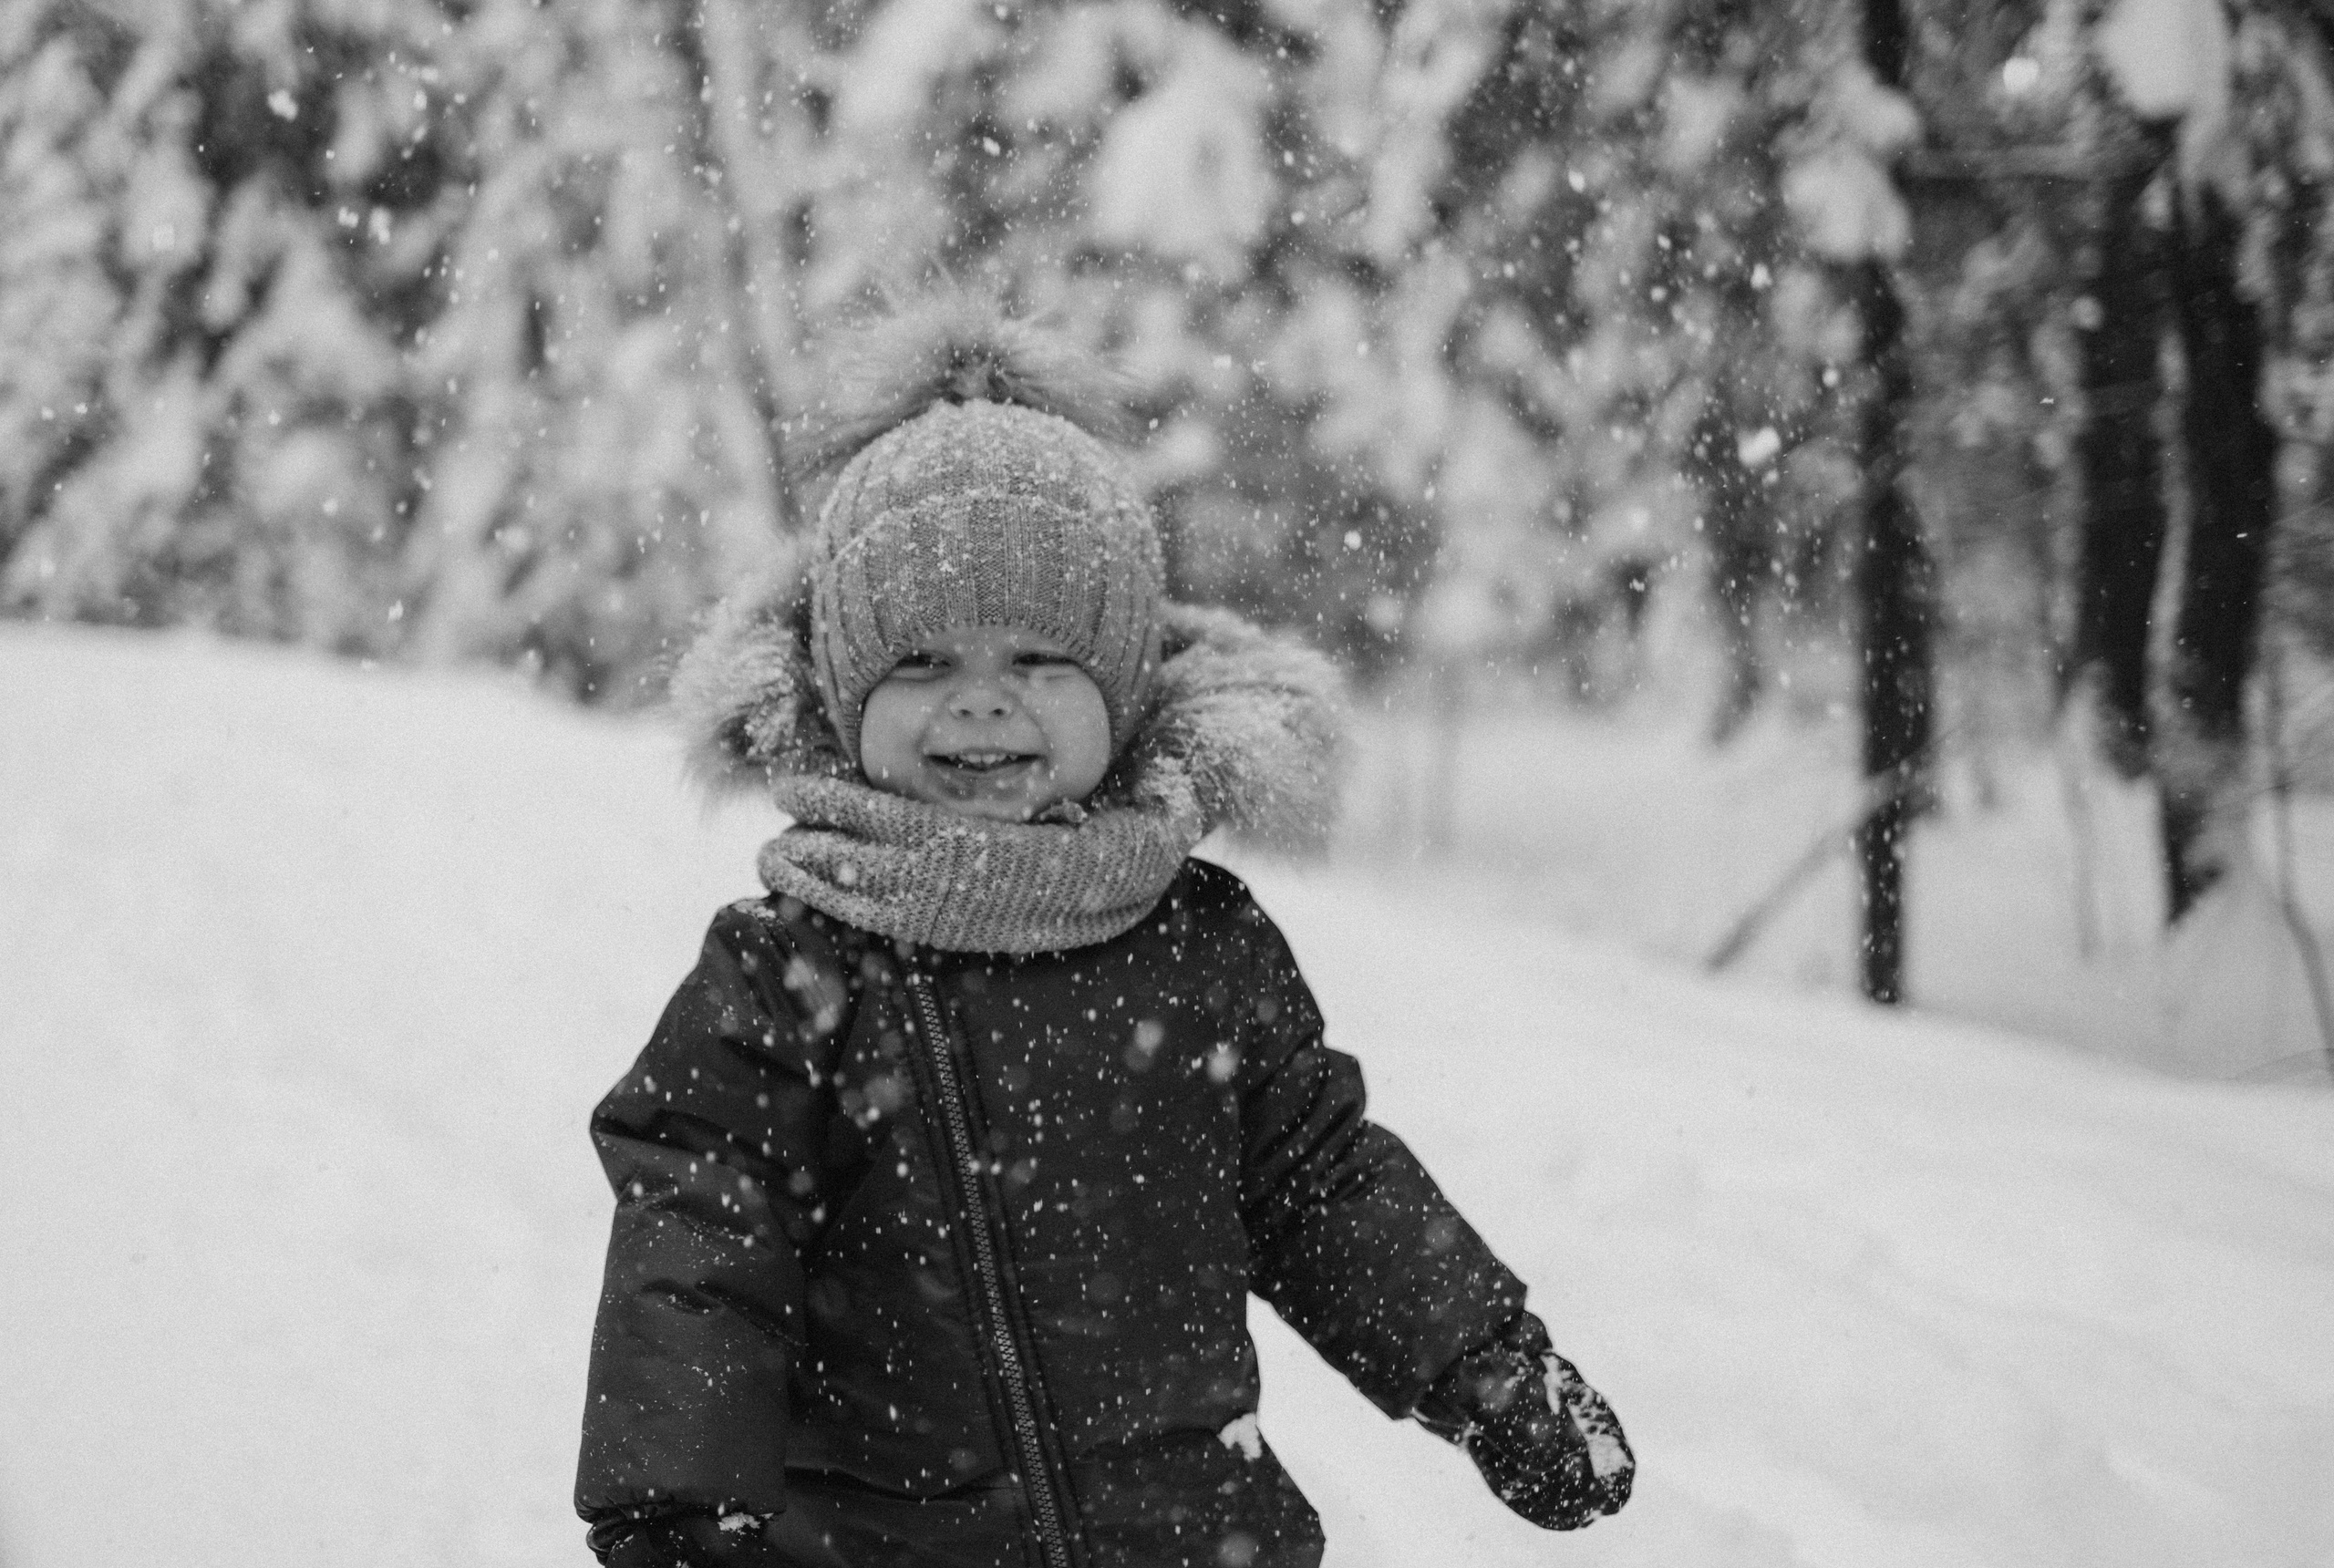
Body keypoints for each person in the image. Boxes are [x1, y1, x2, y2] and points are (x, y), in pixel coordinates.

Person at [574, 297, 1633, 1568]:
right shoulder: (789, 971)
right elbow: (699, 1243)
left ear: (1122, 691)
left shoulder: (1197, 946)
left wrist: (1488, 1367)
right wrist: (681, 1512)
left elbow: (1322, 1186)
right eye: (916, 662)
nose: (979, 700)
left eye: (1037, 656)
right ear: (842, 694)